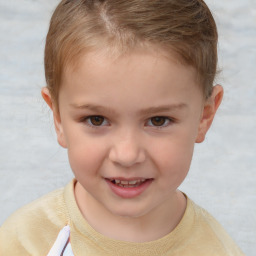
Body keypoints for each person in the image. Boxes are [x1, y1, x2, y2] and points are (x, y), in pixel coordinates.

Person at [0, 0, 245, 255]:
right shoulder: (23, 242)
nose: (127, 155)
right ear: (58, 118)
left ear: (204, 116)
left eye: (158, 120)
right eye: (96, 120)